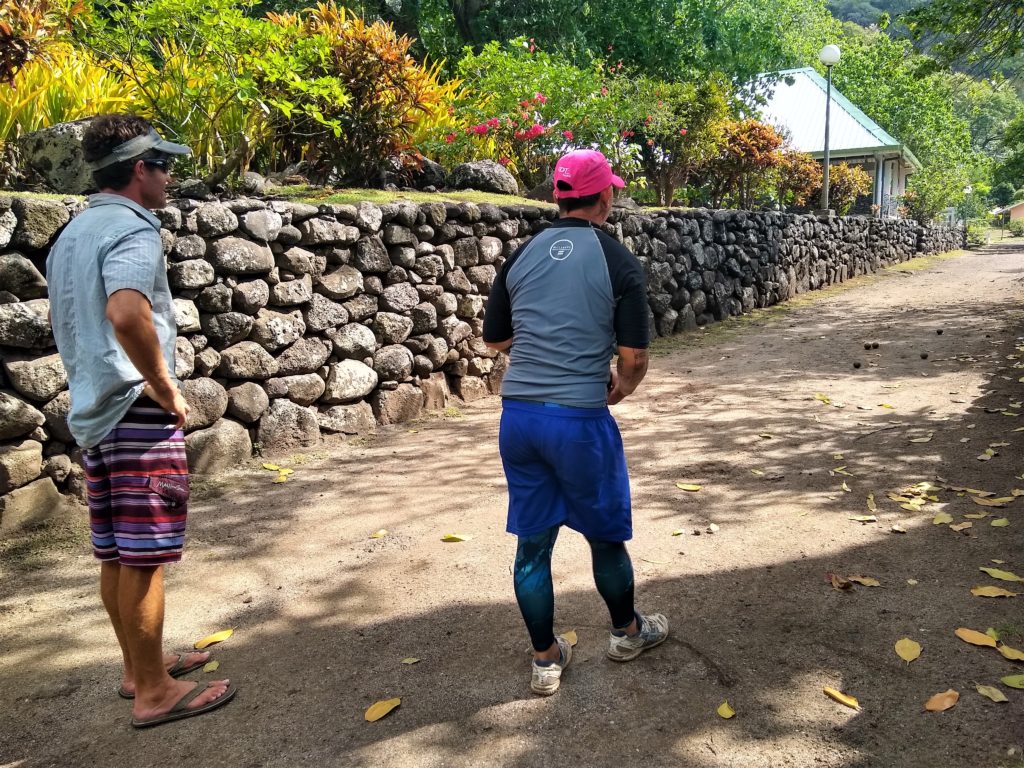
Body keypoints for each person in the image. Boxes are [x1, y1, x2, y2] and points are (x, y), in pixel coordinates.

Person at [46, 114, 236, 727]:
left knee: (115, 553)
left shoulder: (73, 232)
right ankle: (155, 692)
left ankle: (138, 669)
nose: (171, 175)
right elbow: (127, 313)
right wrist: (165, 389)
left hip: (94, 412)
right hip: (135, 410)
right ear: (139, 169)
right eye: (165, 165)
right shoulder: (133, 229)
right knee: (146, 554)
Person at [483, 149, 668, 696]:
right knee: (605, 537)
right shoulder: (616, 260)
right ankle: (627, 633)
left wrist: (540, 344)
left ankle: (545, 660)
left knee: (532, 544)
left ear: (559, 196)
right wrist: (621, 389)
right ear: (605, 197)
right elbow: (632, 356)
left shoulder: (521, 255)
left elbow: (495, 339)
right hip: (579, 420)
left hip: (519, 419)